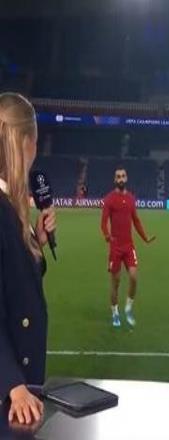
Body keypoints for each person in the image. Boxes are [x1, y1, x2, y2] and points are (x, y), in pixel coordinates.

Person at [0, 93, 56, 425]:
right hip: (11, 393)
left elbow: (15, 284)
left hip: (22, 385)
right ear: (27, 143)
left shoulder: (10, 205)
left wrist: (36, 244)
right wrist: (13, 384)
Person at [101, 167, 155, 328]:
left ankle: (128, 308)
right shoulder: (109, 199)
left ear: (126, 178)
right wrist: (107, 235)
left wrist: (145, 238)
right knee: (115, 283)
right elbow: (103, 222)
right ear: (114, 179)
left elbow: (136, 221)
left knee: (133, 277)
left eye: (123, 176)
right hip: (116, 247)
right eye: (118, 176)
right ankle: (115, 312)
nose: (121, 179)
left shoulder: (131, 198)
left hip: (129, 246)